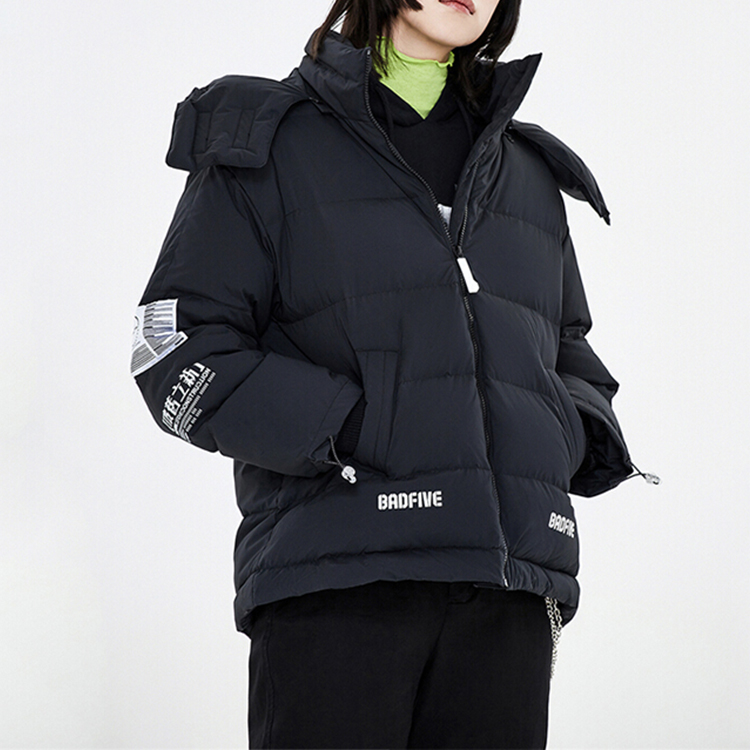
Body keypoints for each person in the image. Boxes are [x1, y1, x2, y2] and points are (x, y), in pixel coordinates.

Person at [132, 0, 657, 746]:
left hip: (508, 592)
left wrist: (564, 433)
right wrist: (358, 425)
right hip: (337, 582)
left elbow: (564, 343)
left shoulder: (527, 170)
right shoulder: (269, 138)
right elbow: (174, 346)